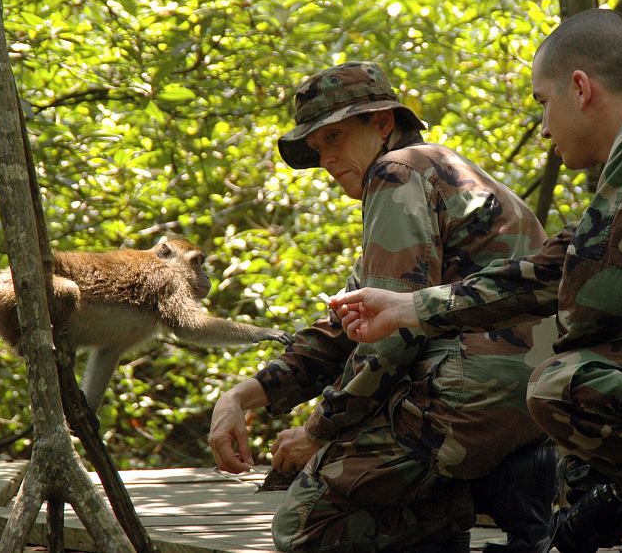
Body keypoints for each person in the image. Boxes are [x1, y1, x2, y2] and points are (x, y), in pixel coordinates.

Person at [330, 9, 622, 553]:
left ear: (580, 88)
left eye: (543, 103)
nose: (545, 127)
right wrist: (412, 307)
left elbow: (596, 306)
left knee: (568, 381)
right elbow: (558, 265)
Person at [208, 61, 559, 553]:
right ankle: (485, 483)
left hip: (473, 389)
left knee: (304, 524)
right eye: (316, 148)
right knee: (399, 513)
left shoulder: (398, 173)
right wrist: (241, 398)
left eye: (334, 138)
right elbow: (344, 326)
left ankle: (485, 486)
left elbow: (390, 336)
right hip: (532, 392)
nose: (326, 159)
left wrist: (317, 431)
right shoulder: (432, 173)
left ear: (382, 123)